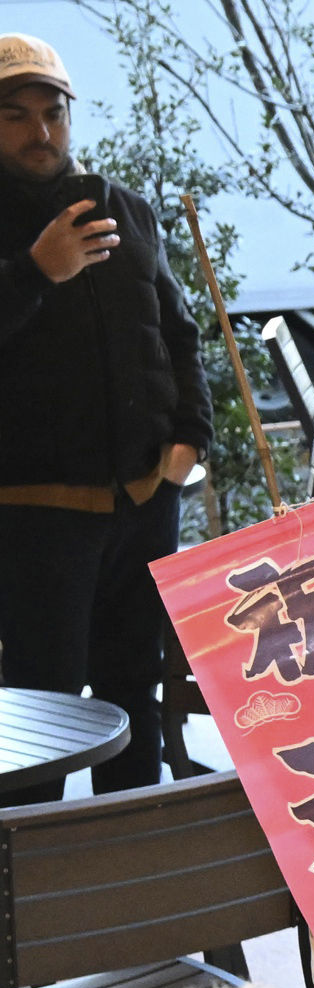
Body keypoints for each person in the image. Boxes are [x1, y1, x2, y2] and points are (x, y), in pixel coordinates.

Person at [0, 35, 208, 800]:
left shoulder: (125, 209)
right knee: (35, 715)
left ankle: (135, 876)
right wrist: (34, 273)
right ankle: (34, 904)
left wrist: (190, 443)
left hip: (145, 501)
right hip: (33, 519)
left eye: (52, 113)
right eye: (16, 116)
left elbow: (178, 332)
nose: (40, 132)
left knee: (134, 694)